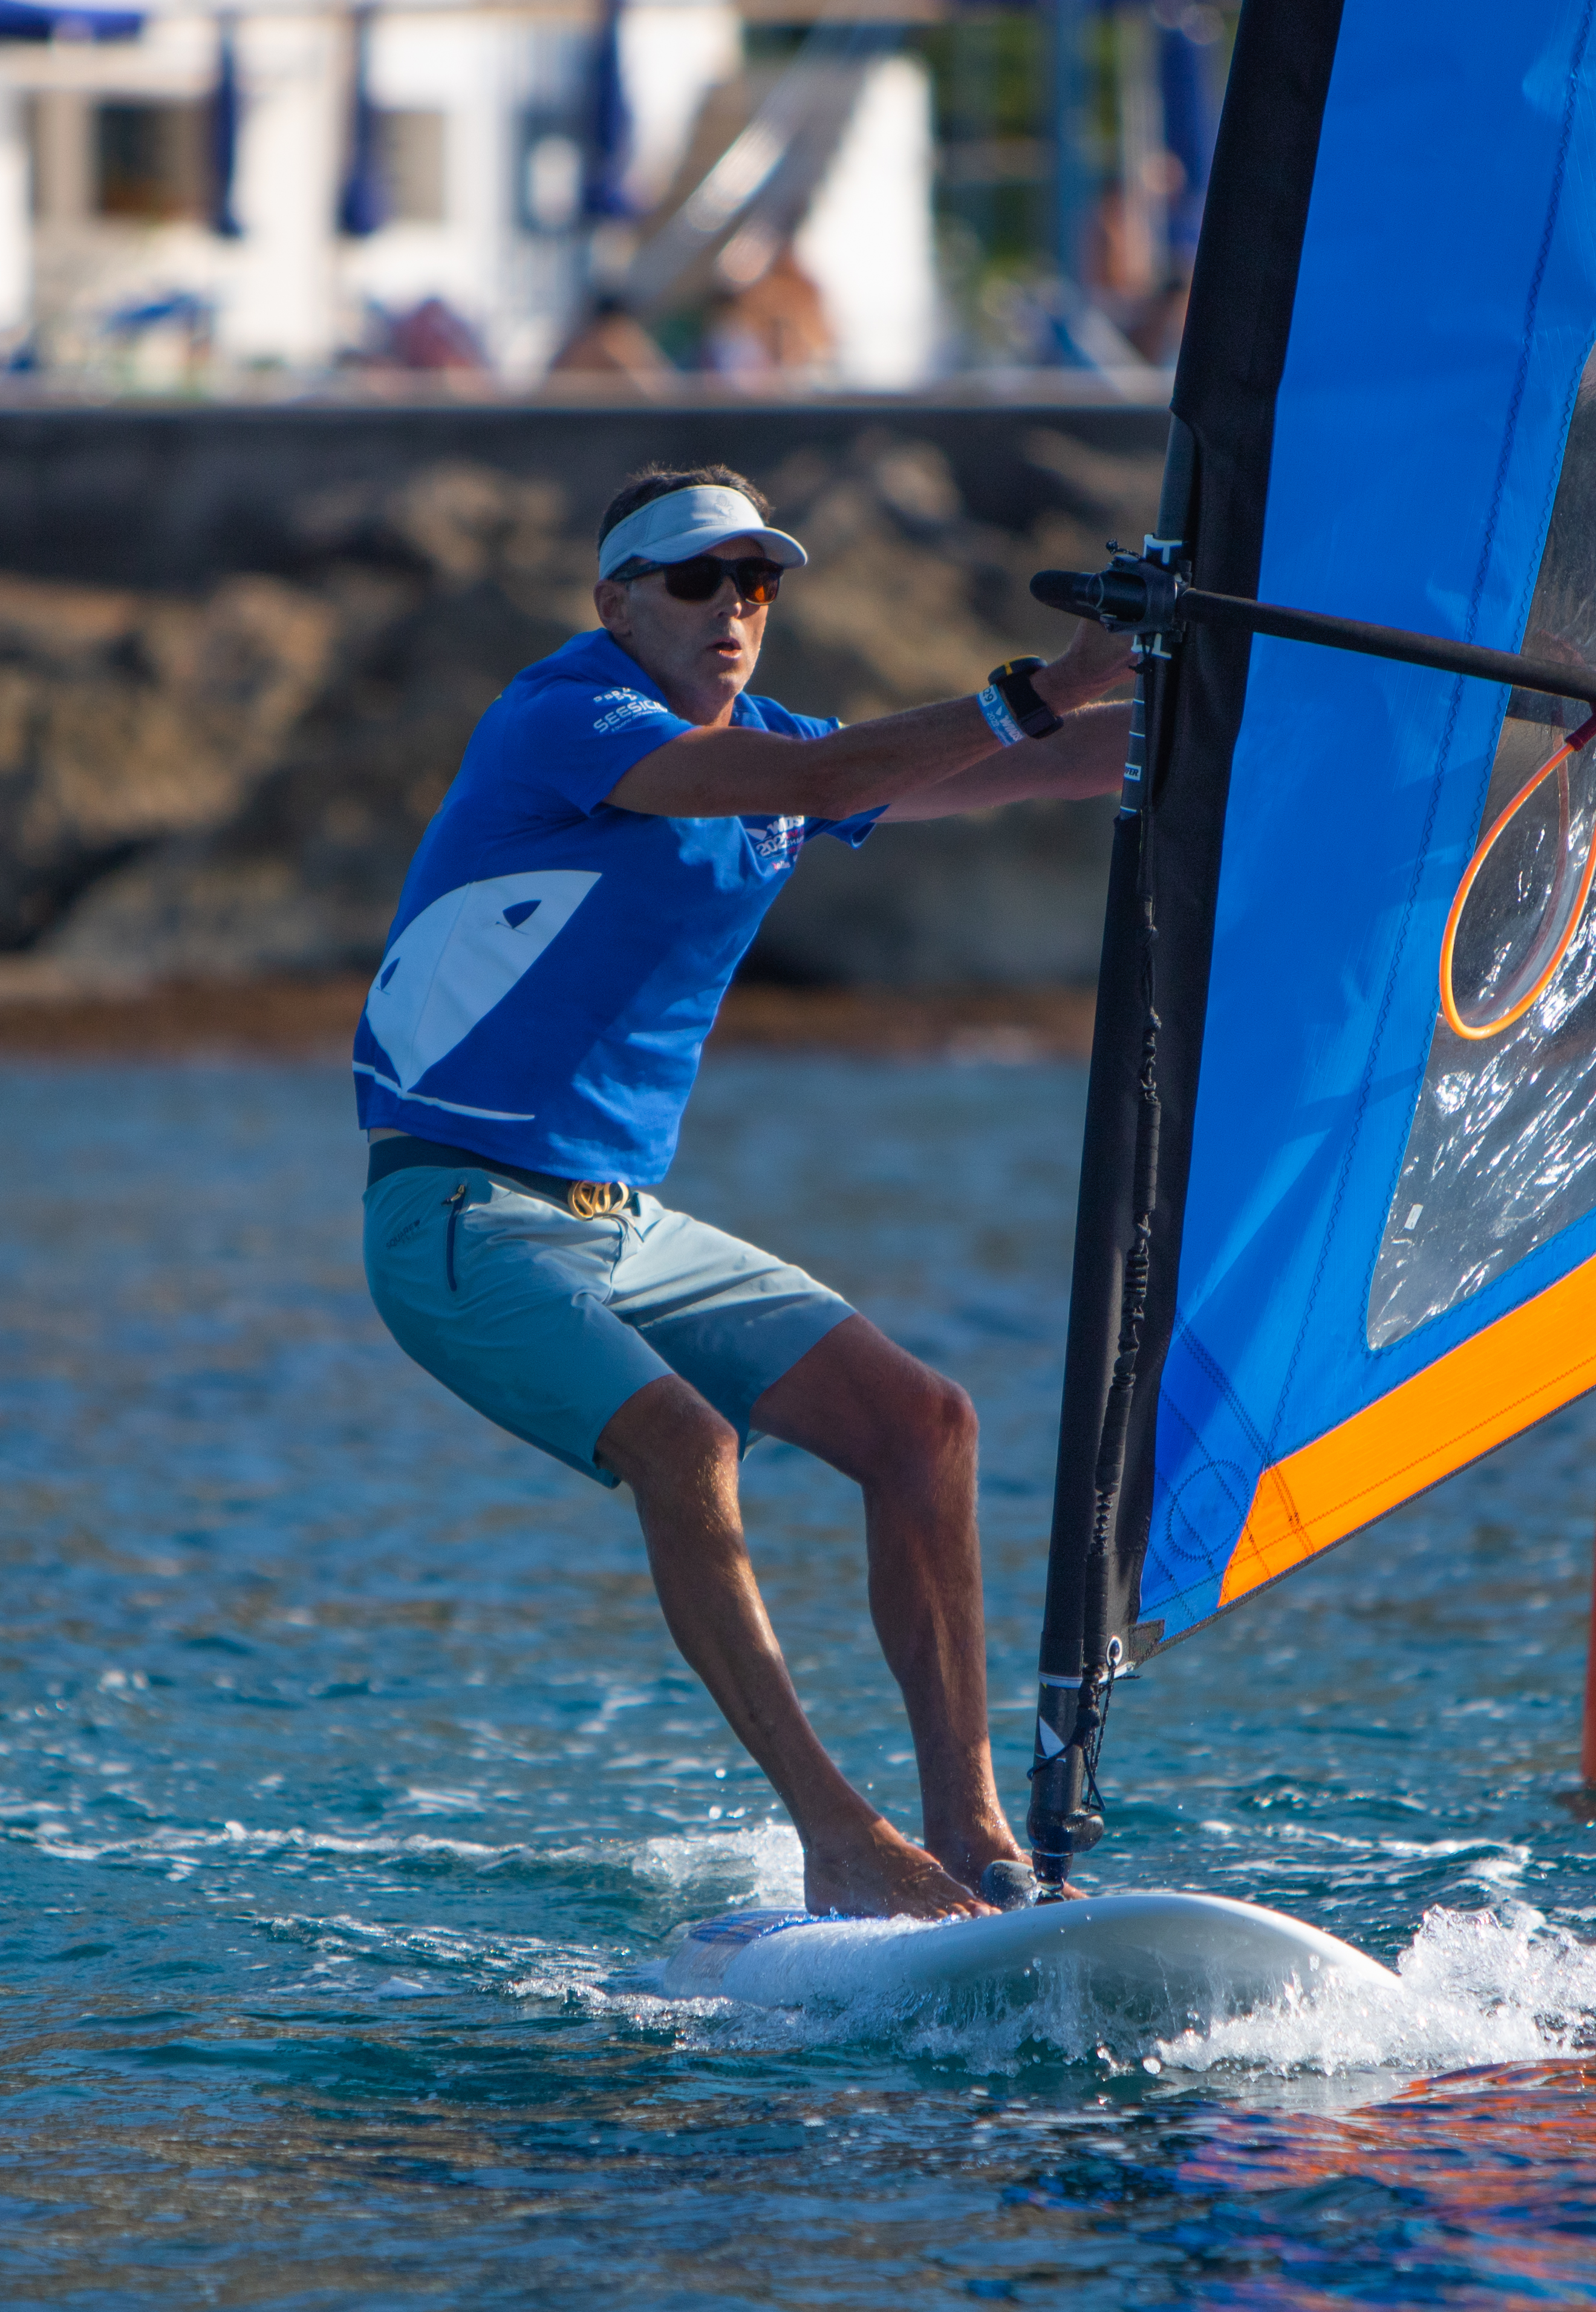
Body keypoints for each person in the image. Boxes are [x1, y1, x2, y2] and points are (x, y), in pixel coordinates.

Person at [354, 464, 1136, 1921]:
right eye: (697, 581)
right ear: (616, 603)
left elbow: (1060, 766)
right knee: (686, 1444)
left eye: (760, 584)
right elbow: (830, 782)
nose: (735, 611)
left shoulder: (773, 737)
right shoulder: (561, 716)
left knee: (927, 1426)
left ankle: (968, 1836)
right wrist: (1044, 686)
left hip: (621, 1225)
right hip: (455, 1218)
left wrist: (1431, 717)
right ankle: (836, 1840)